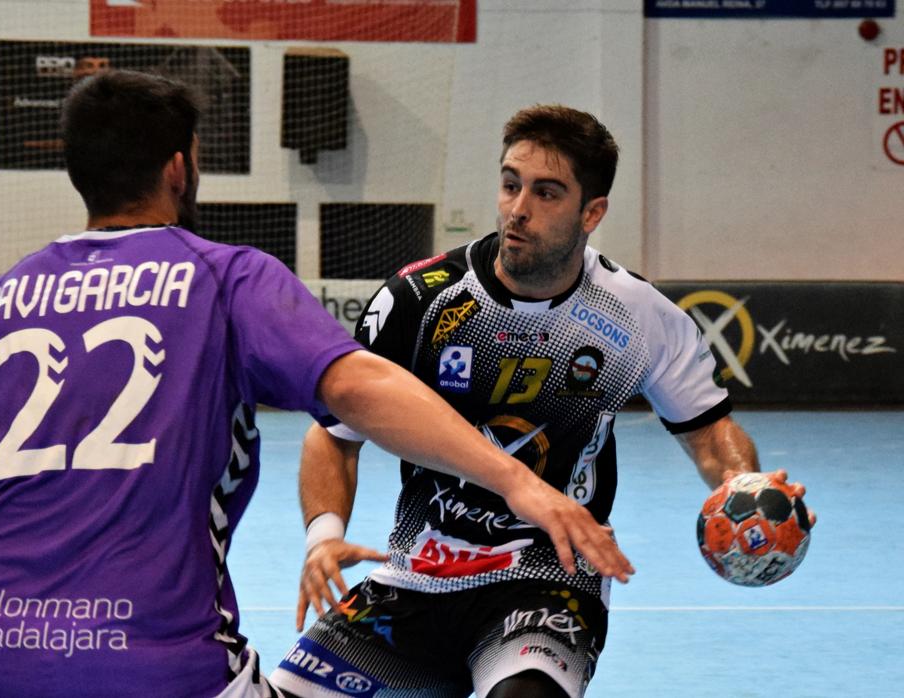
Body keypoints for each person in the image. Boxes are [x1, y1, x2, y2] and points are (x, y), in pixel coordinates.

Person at [0, 75, 632, 697]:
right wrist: (519, 482)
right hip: (157, 666)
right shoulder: (223, 279)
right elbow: (360, 388)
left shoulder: (0, 302)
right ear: (179, 169)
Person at [271, 105, 815, 698]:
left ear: (592, 212)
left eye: (547, 193)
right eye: (510, 185)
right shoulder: (418, 300)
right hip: (416, 575)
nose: (518, 209)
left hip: (549, 576)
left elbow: (710, 433)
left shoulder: (640, 317)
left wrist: (748, 489)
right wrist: (323, 535)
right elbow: (333, 432)